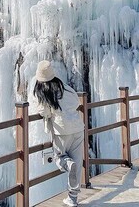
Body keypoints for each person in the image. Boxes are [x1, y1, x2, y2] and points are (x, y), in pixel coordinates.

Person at [32, 60, 84, 207]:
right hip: (78, 127)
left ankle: (68, 164)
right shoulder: (64, 87)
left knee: (59, 157)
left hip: (62, 130)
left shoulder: (45, 92)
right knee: (78, 162)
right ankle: (73, 198)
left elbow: (44, 112)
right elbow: (76, 102)